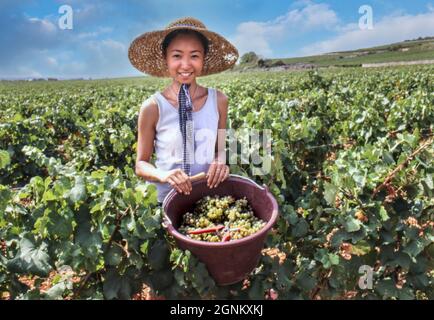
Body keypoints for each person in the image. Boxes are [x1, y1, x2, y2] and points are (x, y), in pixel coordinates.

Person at [129, 17, 239, 205]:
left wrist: (220, 162)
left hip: (209, 197)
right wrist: (163, 175)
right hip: (167, 201)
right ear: (166, 59)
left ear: (203, 59)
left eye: (194, 56)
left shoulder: (219, 100)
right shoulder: (153, 107)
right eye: (177, 56)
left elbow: (219, 150)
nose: (186, 65)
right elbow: (141, 165)